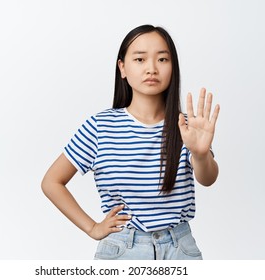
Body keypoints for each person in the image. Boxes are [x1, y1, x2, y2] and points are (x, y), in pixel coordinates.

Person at [41, 24, 220, 260]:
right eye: (140, 59)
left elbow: (207, 179)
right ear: (122, 68)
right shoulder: (100, 126)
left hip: (180, 249)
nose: (152, 68)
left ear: (173, 67)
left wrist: (200, 154)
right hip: (123, 249)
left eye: (163, 59)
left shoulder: (186, 126)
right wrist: (92, 227)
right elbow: (52, 182)